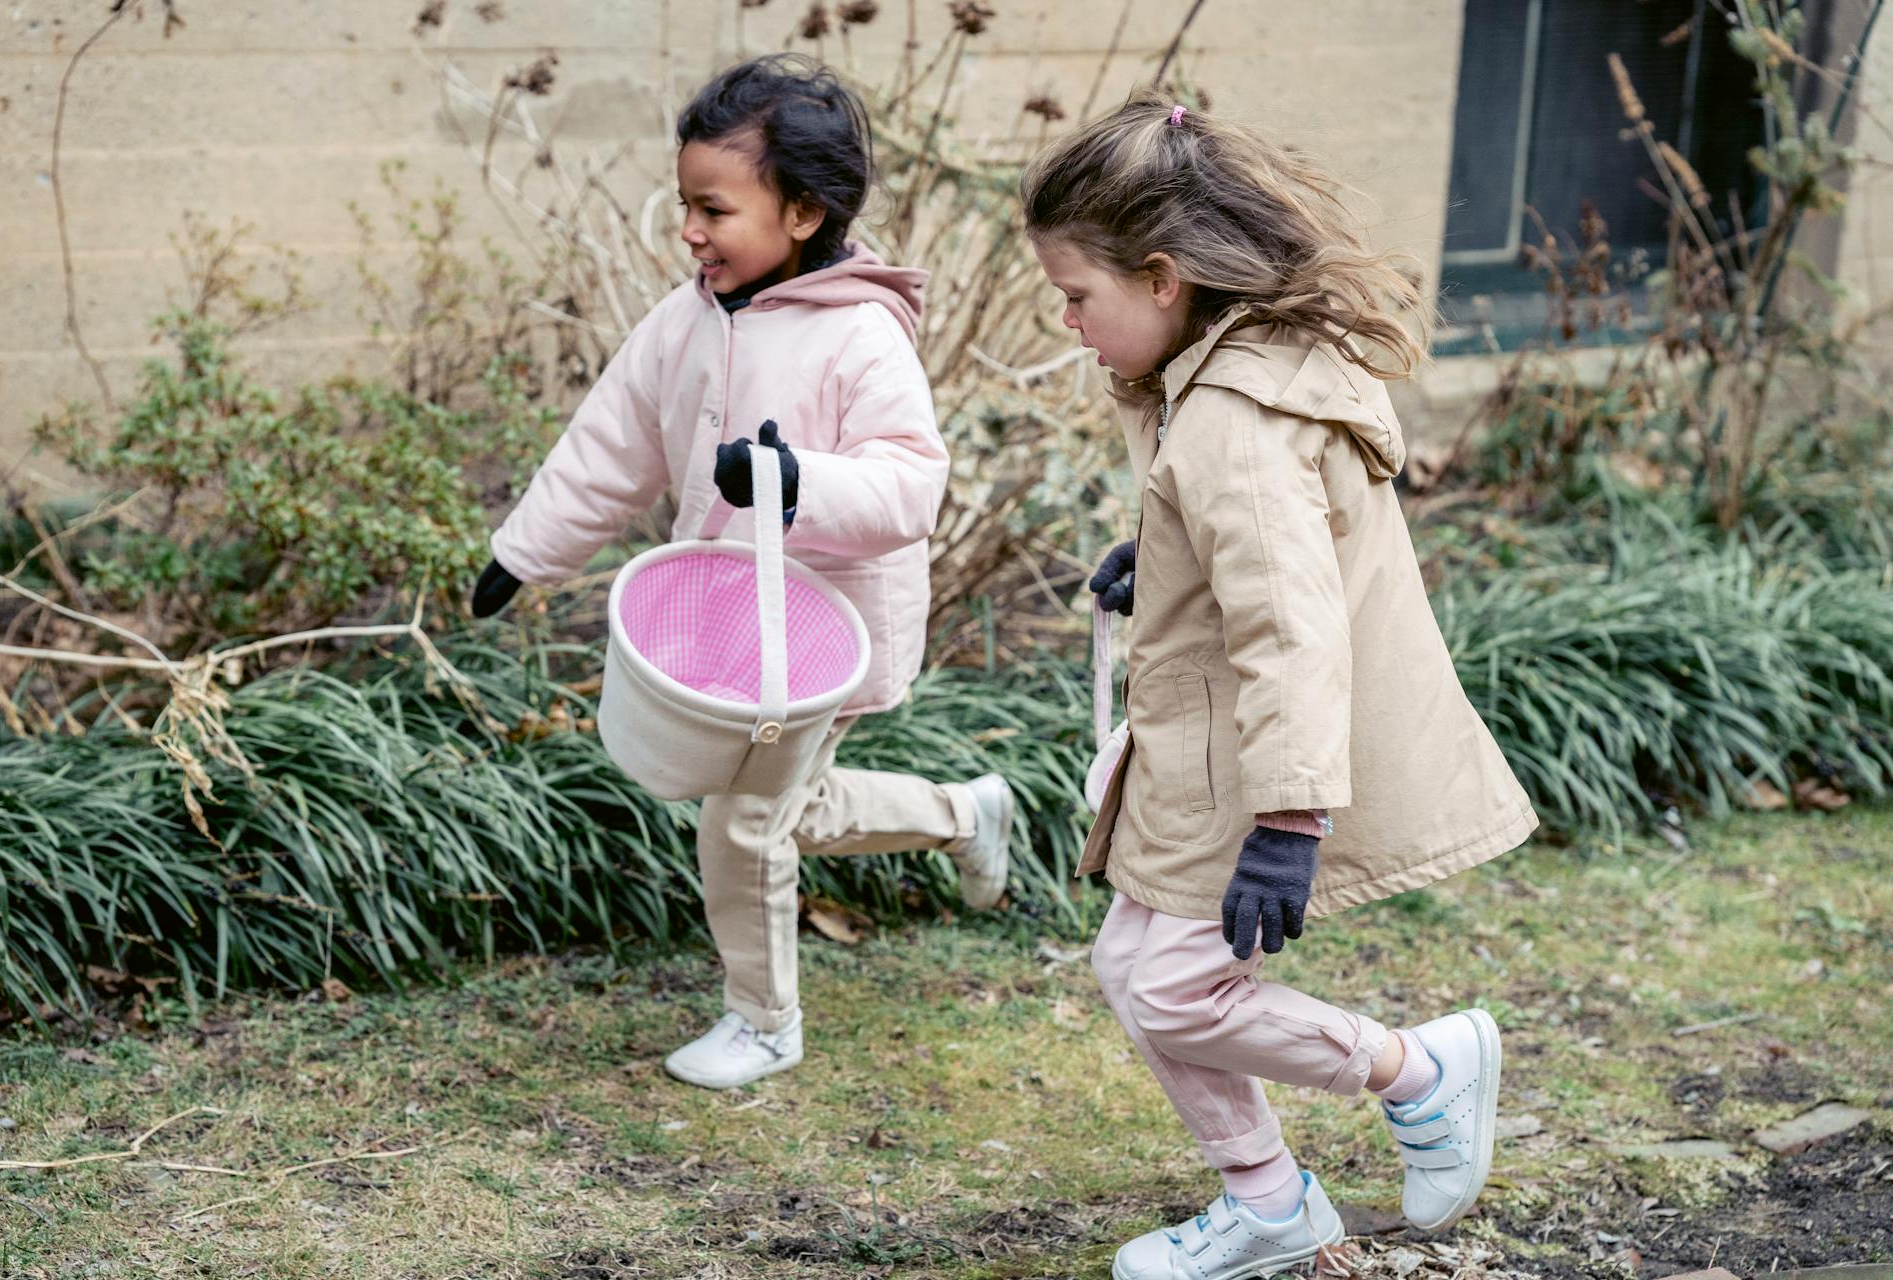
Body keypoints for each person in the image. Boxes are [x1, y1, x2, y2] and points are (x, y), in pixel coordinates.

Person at [1023, 91, 1539, 1277]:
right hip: (1205, 747)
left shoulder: (1237, 423)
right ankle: (1268, 1200)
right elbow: (1241, 556)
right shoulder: (1226, 378)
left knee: (1176, 985)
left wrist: (1290, 818)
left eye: (1075, 295)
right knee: (1134, 968)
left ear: (1161, 278)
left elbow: (1291, 626)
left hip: (1249, 766)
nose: (1068, 322)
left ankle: (1419, 1068)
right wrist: (1158, 563)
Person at [475, 54, 1015, 1091]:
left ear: (803, 210)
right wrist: (524, 549)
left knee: (748, 822)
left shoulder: (862, 335)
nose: (689, 229)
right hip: (728, 622)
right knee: (787, 812)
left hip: (822, 629)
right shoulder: (689, 317)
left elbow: (909, 487)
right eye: (685, 204)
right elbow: (611, 439)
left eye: (713, 208)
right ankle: (962, 814)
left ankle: (765, 1021)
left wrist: (790, 476)